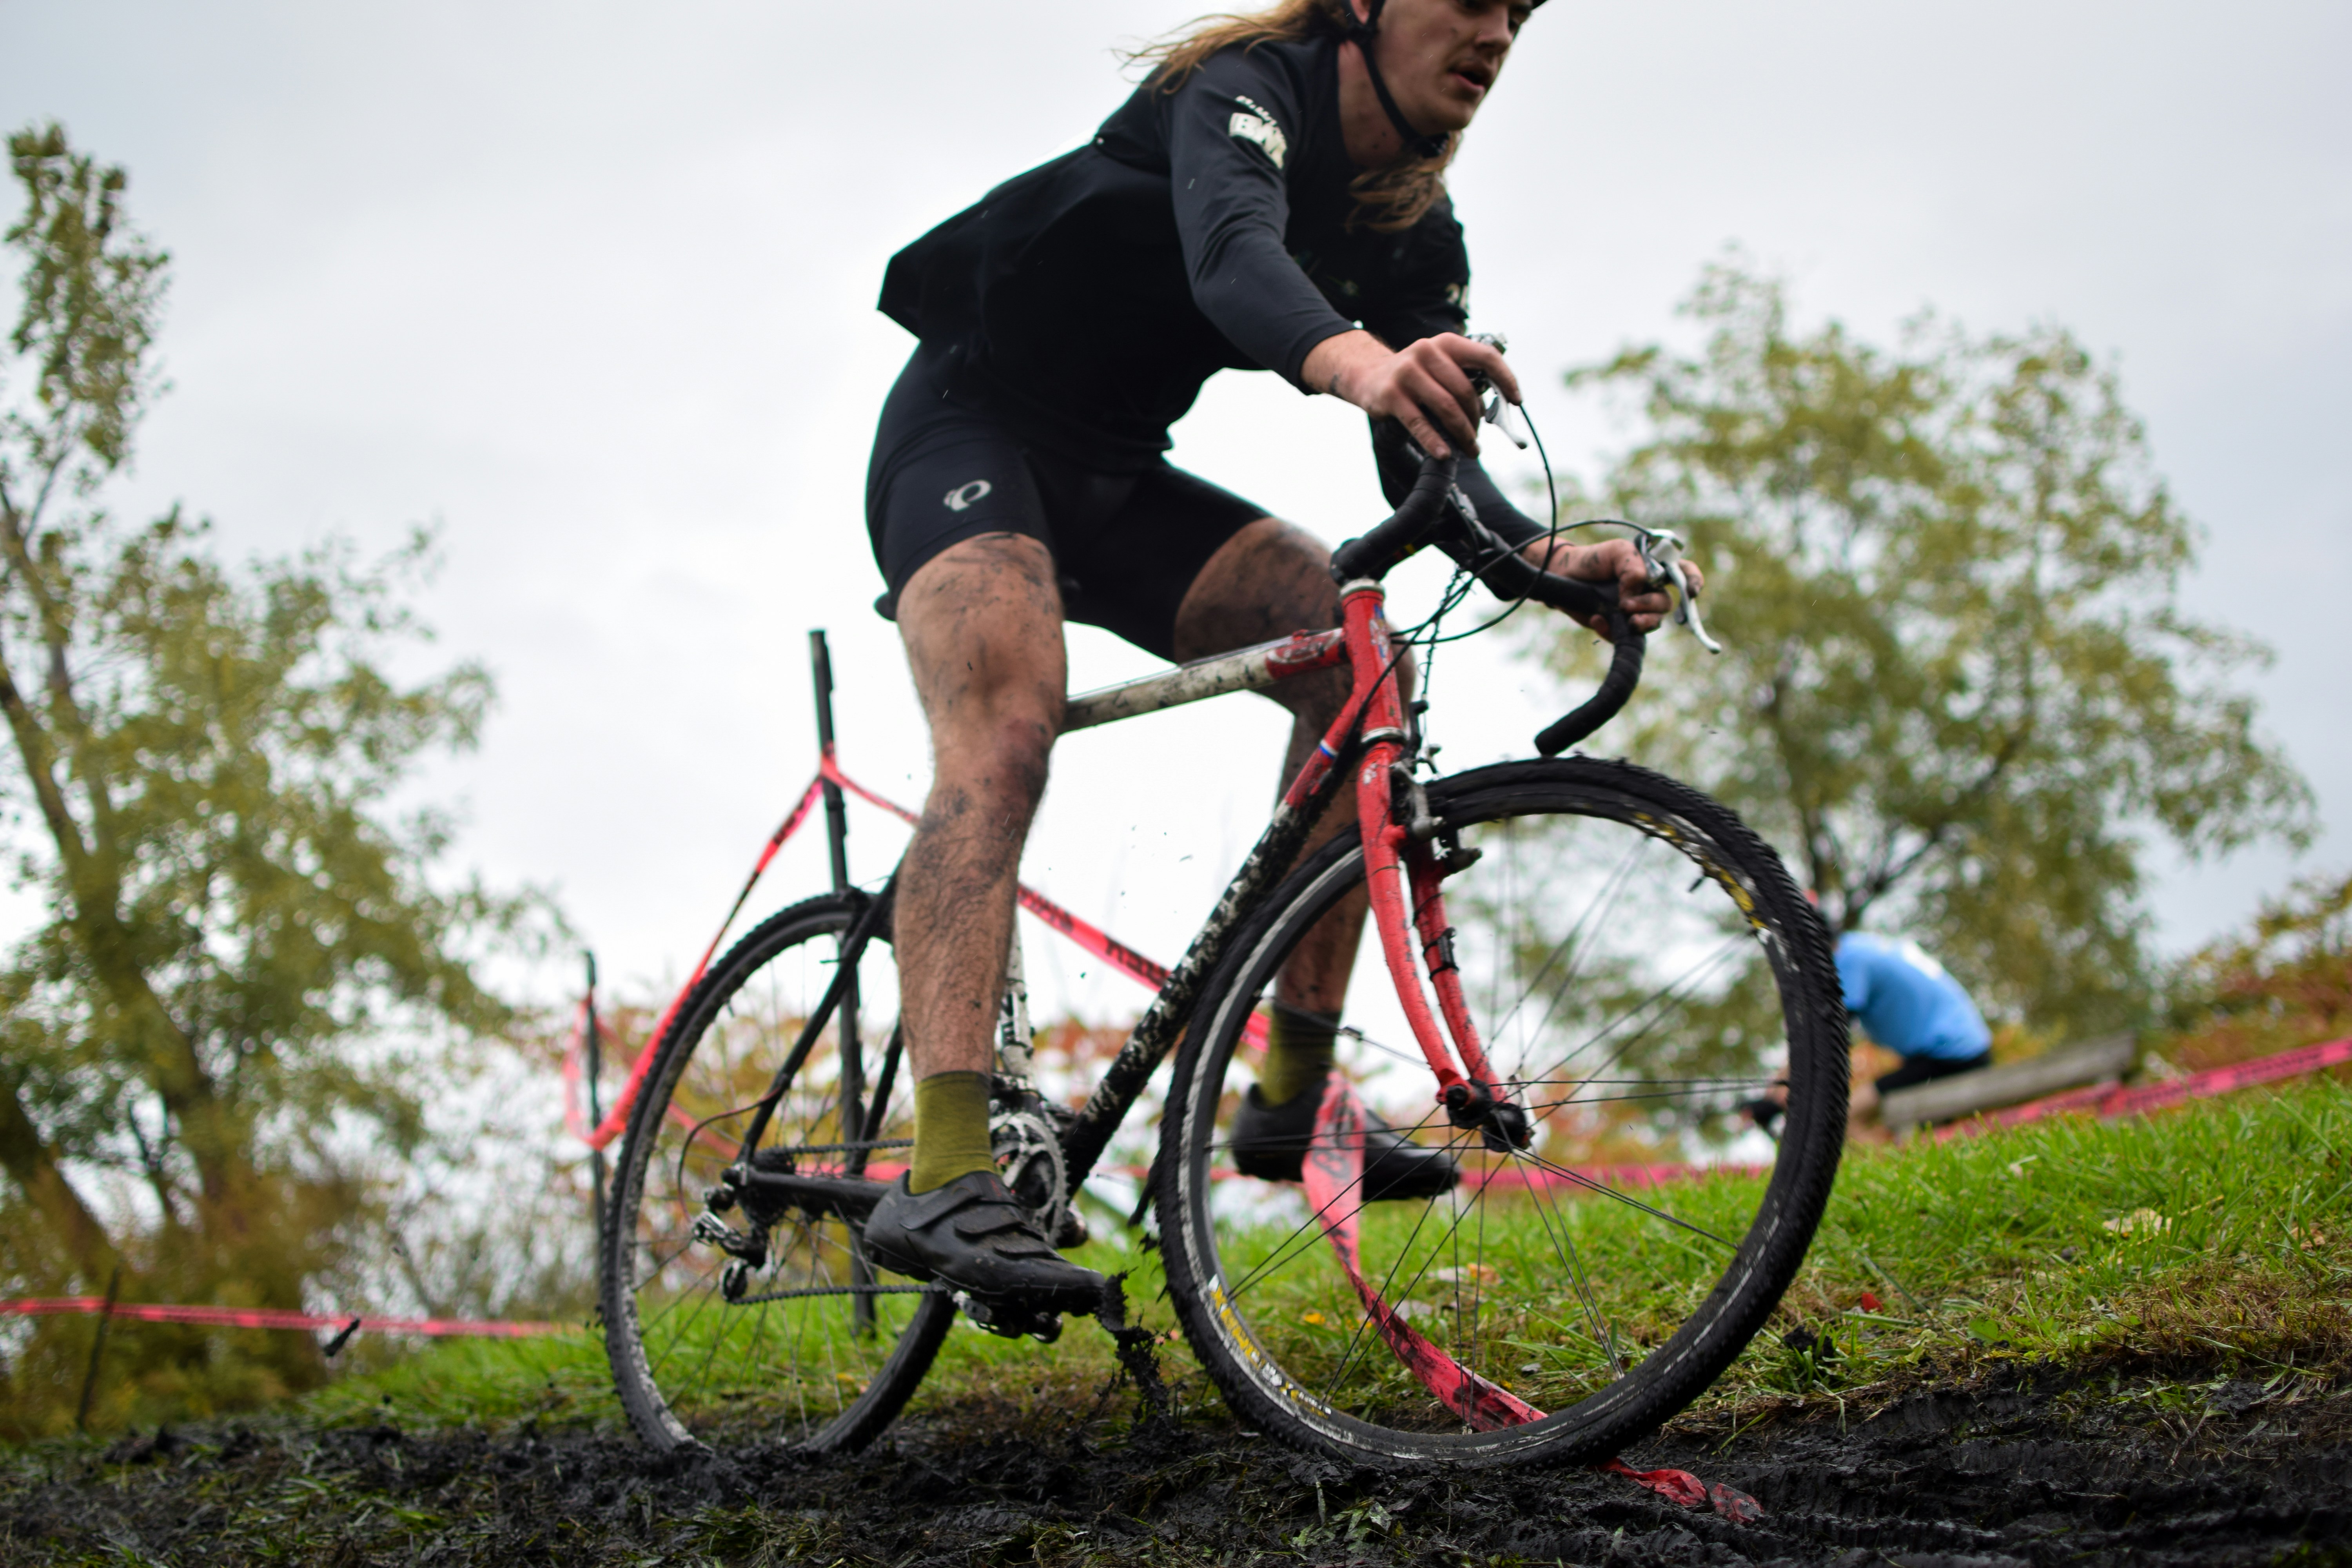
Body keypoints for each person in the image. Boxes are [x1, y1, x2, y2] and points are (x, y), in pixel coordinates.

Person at [855, 0, 1702, 1307]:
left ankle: (1292, 1097)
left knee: (1359, 663)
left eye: (1520, 14)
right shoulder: (1247, 86)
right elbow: (1234, 257)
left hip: (1120, 483)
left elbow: (1429, 472)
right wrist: (1367, 366)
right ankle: (949, 1167)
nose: (1494, 33)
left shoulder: (1413, 227)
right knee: (1009, 730)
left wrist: (1552, 569)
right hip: (968, 439)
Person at [1835, 931, 1993, 1118]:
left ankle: (1881, 1146)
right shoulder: (1860, 944)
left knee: (1851, 1113)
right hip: (1964, 1048)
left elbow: (1835, 1029)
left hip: (1951, 1056)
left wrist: (1795, 1076)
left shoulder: (1849, 958)